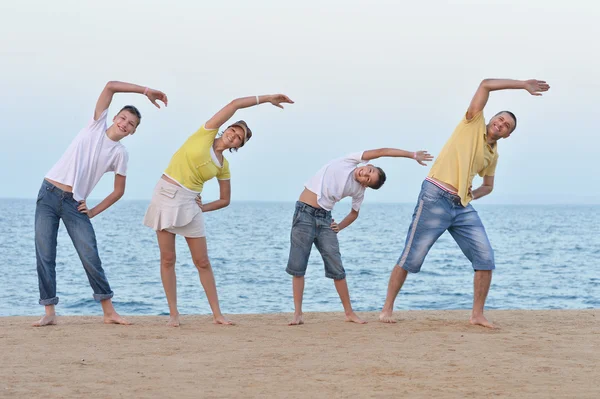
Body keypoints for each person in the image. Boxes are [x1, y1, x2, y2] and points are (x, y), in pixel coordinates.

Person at [379, 78, 550, 328]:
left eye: (507, 126)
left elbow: (489, 186)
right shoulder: (472, 123)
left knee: (485, 258)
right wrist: (523, 84)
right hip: (435, 195)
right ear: (491, 118)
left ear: (508, 134)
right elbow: (486, 84)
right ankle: (387, 309)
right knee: (411, 256)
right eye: (500, 119)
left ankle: (477, 315)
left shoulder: (493, 155)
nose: (501, 124)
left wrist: (472, 194)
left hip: (461, 206)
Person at [144, 94, 294, 327]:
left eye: (239, 139)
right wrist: (267, 99)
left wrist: (202, 208)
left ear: (238, 146)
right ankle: (174, 315)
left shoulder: (223, 165)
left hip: (190, 203)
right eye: (234, 130)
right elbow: (235, 104)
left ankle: (217, 315)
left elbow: (225, 199)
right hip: (166, 194)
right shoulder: (205, 133)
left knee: (202, 261)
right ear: (227, 128)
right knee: (168, 258)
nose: (234, 136)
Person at [34, 81, 168, 327]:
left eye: (131, 124)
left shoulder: (120, 154)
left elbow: (118, 191)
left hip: (75, 203)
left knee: (89, 255)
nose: (124, 124)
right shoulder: (95, 126)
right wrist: (146, 91)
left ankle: (109, 312)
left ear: (133, 131)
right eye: (123, 118)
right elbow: (110, 87)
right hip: (49, 194)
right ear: (115, 116)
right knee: (45, 253)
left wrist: (93, 211)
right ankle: (49, 311)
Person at [286, 148, 433, 325]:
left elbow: (354, 213)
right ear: (368, 165)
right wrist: (412, 155)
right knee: (298, 264)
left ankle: (349, 313)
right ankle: (298, 314)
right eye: (368, 171)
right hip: (304, 213)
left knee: (337, 268)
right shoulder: (350, 161)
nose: (364, 175)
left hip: (325, 219)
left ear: (365, 185)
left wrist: (339, 226)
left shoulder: (358, 190)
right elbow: (382, 151)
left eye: (368, 179)